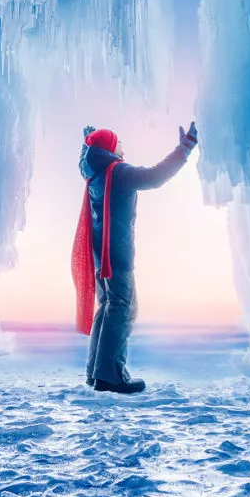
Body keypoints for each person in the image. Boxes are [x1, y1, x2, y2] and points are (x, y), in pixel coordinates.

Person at [72, 122, 198, 394]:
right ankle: (110, 376)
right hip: (116, 252)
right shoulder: (117, 172)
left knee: (108, 306)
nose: (122, 147)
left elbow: (87, 156)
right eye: (118, 143)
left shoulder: (92, 169)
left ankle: (96, 372)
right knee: (122, 308)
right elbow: (155, 177)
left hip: (100, 251)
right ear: (109, 149)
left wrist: (87, 143)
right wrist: (184, 148)